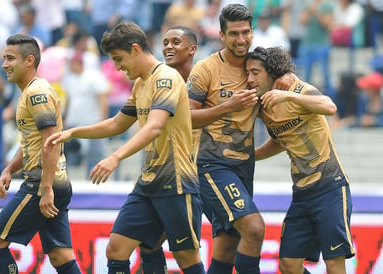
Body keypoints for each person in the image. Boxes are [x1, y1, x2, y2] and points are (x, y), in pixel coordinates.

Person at [44, 22, 206, 274]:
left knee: (186, 258)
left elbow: (154, 127)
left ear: (135, 49)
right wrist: (74, 132)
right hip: (149, 183)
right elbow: (118, 123)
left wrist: (115, 157)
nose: (118, 67)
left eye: (119, 59)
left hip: (176, 183)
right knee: (117, 248)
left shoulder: (166, 78)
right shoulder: (141, 83)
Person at [187, 3, 295, 273]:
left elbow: (283, 119)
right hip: (211, 166)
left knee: (227, 246)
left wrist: (289, 78)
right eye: (234, 34)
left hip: (243, 169)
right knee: (255, 228)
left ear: (252, 31)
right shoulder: (206, 69)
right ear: (221, 36)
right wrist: (227, 107)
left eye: (246, 32)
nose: (241, 39)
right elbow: (185, 119)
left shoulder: (260, 67)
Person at [245, 46, 355, 273]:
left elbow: (329, 106)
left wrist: (287, 95)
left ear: (271, 72)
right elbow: (280, 140)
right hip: (302, 194)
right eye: (247, 73)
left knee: (334, 263)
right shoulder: (263, 108)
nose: (250, 79)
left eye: (255, 72)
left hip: (330, 188)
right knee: (288, 265)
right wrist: (250, 157)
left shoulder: (297, 89)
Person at [0, 34, 82, 274]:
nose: (4, 64)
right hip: (53, 181)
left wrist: (46, 188)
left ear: (29, 60)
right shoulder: (29, 91)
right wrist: (9, 169)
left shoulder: (37, 93)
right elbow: (32, 142)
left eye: (10, 58)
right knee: (60, 255)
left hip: (41, 183)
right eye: (4, 58)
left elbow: (51, 140)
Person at [136, 25, 199, 274]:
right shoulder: (156, 81)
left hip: (192, 174)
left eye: (176, 42)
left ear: (192, 49)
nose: (168, 47)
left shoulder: (199, 81)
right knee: (148, 244)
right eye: (165, 43)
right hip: (166, 173)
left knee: (186, 255)